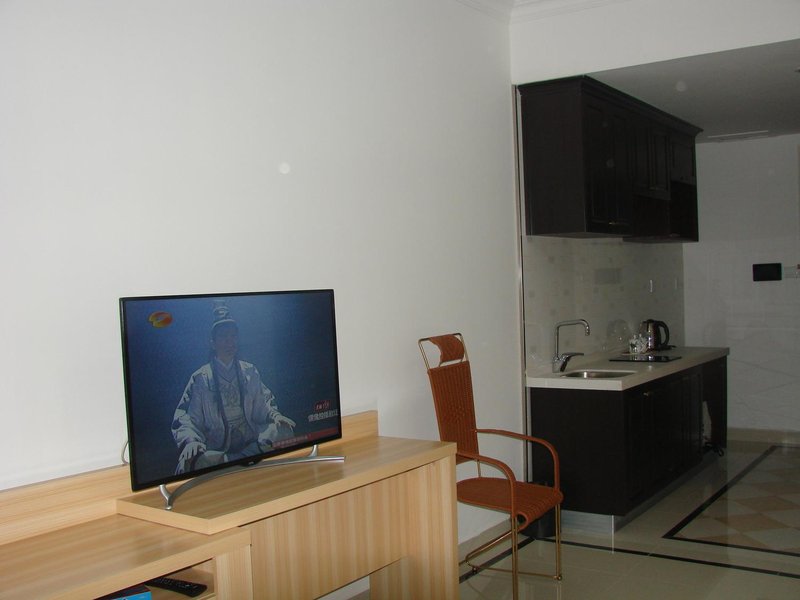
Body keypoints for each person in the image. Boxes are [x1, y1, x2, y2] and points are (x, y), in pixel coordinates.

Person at [172, 302, 296, 474]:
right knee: (190, 461)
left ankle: (235, 463)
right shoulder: (200, 378)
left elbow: (264, 404)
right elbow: (187, 418)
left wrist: (275, 415)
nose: (229, 342)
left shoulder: (250, 371)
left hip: (250, 440)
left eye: (233, 337)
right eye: (224, 337)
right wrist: (191, 441)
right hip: (218, 447)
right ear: (213, 343)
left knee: (283, 431)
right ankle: (235, 462)